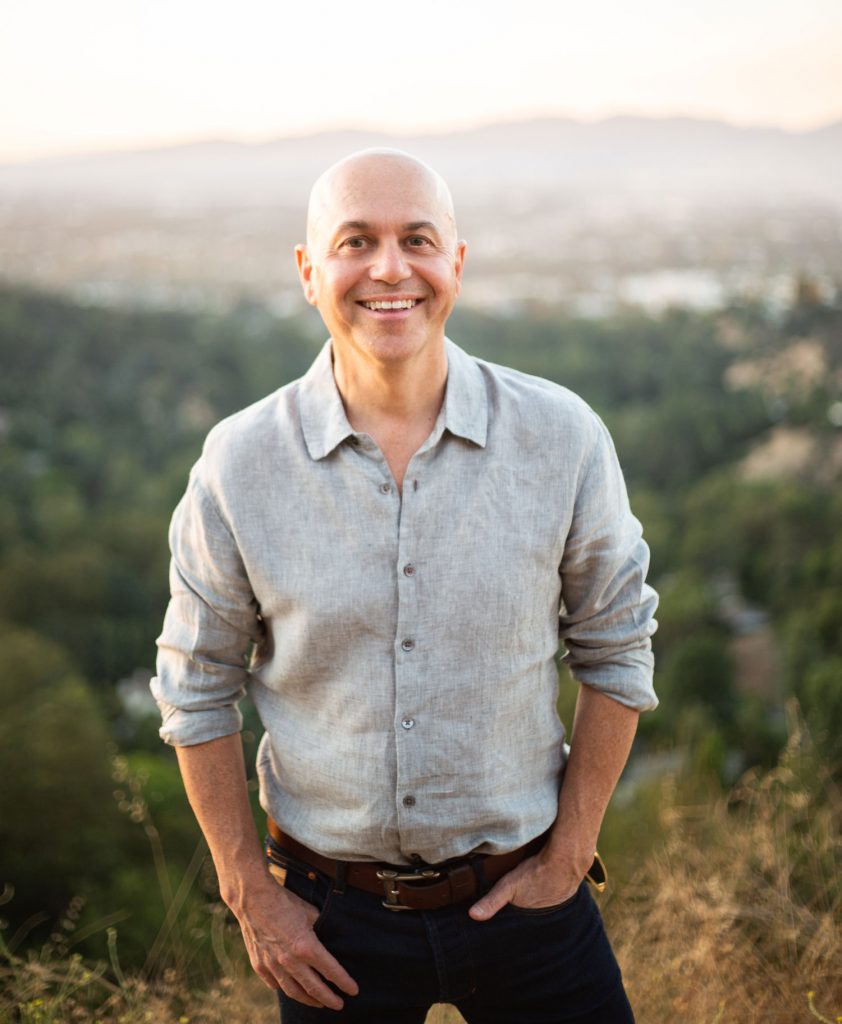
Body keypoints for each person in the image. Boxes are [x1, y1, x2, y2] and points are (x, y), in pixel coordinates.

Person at [152, 149, 658, 1023]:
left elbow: (617, 648)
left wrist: (571, 855)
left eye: (417, 239)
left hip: (532, 909)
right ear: (311, 272)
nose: (390, 268)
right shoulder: (239, 465)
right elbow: (195, 692)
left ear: (455, 262)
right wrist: (252, 898)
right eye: (357, 241)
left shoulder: (562, 437)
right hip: (330, 927)